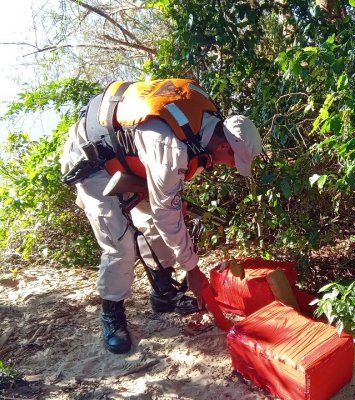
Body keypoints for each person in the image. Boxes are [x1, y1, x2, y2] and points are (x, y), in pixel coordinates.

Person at [60, 79, 262, 354]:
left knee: (157, 226)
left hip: (132, 156)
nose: (228, 167)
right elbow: (166, 211)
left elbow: (165, 206)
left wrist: (170, 202)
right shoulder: (170, 147)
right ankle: (111, 313)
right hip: (91, 159)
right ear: (225, 147)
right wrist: (193, 270)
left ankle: (163, 293)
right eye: (232, 162)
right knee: (120, 243)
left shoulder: (207, 125)